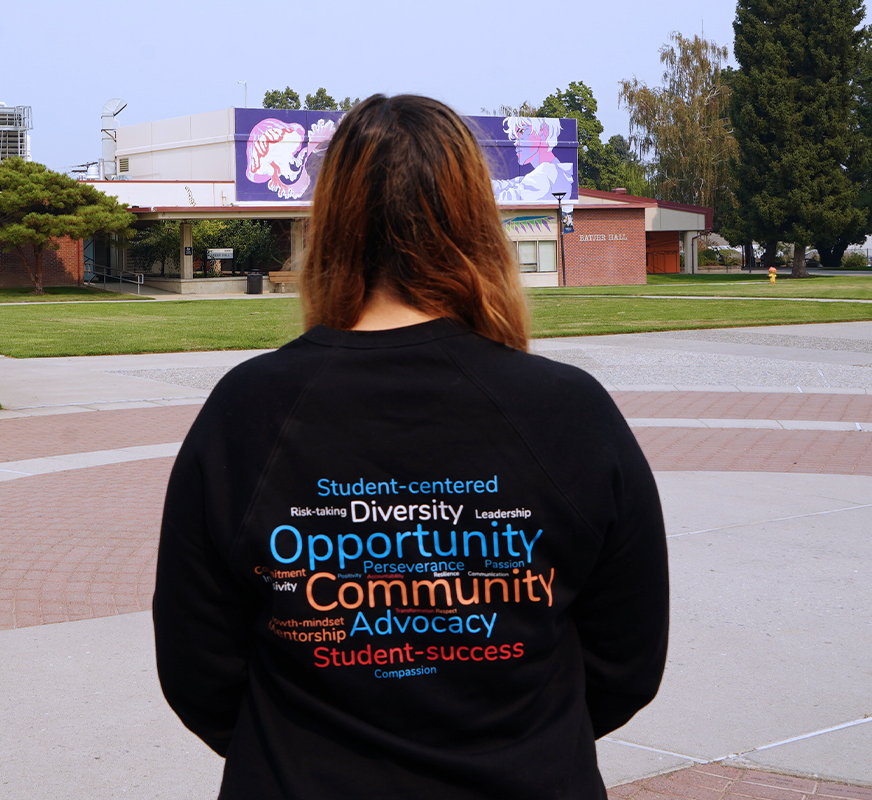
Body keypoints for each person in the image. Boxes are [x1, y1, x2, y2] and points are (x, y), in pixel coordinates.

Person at [153, 94, 669, 800]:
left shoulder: (249, 408)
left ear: (331, 223)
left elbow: (199, 671)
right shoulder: (568, 410)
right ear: (478, 222)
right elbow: (626, 663)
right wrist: (521, 734)